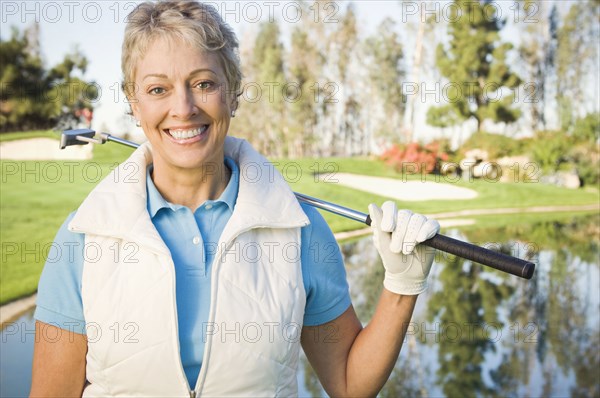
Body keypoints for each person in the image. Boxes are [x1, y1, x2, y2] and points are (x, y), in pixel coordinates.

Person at [30, 1, 440, 397]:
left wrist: (402, 285)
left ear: (233, 92)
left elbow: (350, 385)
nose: (183, 108)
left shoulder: (301, 228)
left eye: (203, 83)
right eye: (158, 89)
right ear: (134, 103)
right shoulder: (83, 238)